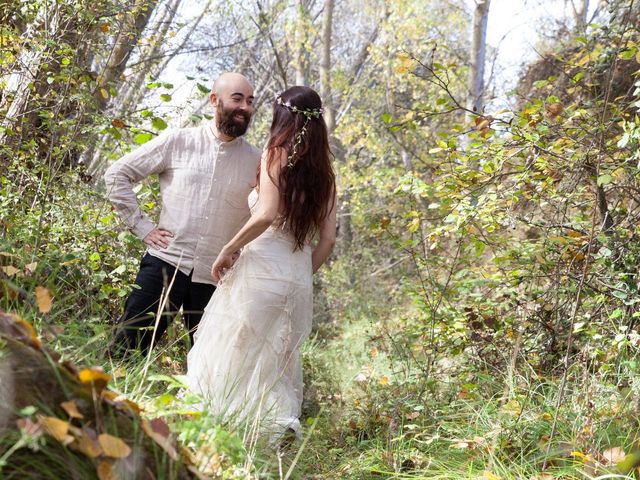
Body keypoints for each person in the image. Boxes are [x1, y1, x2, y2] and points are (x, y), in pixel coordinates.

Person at [185, 86, 336, 439]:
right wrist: (299, 274)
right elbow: (327, 241)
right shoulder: (325, 174)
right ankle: (269, 429)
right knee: (275, 363)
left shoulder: (275, 153)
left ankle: (217, 430)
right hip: (296, 278)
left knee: (234, 349)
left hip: (260, 270)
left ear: (283, 116)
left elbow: (266, 214)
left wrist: (229, 248)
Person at [104, 72, 261, 356]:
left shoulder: (258, 162)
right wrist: (142, 227)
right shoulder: (178, 141)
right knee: (125, 354)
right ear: (214, 100)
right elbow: (117, 174)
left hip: (217, 279)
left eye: (250, 101)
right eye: (237, 99)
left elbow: (266, 214)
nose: (245, 107)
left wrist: (243, 249)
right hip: (165, 263)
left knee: (209, 372)